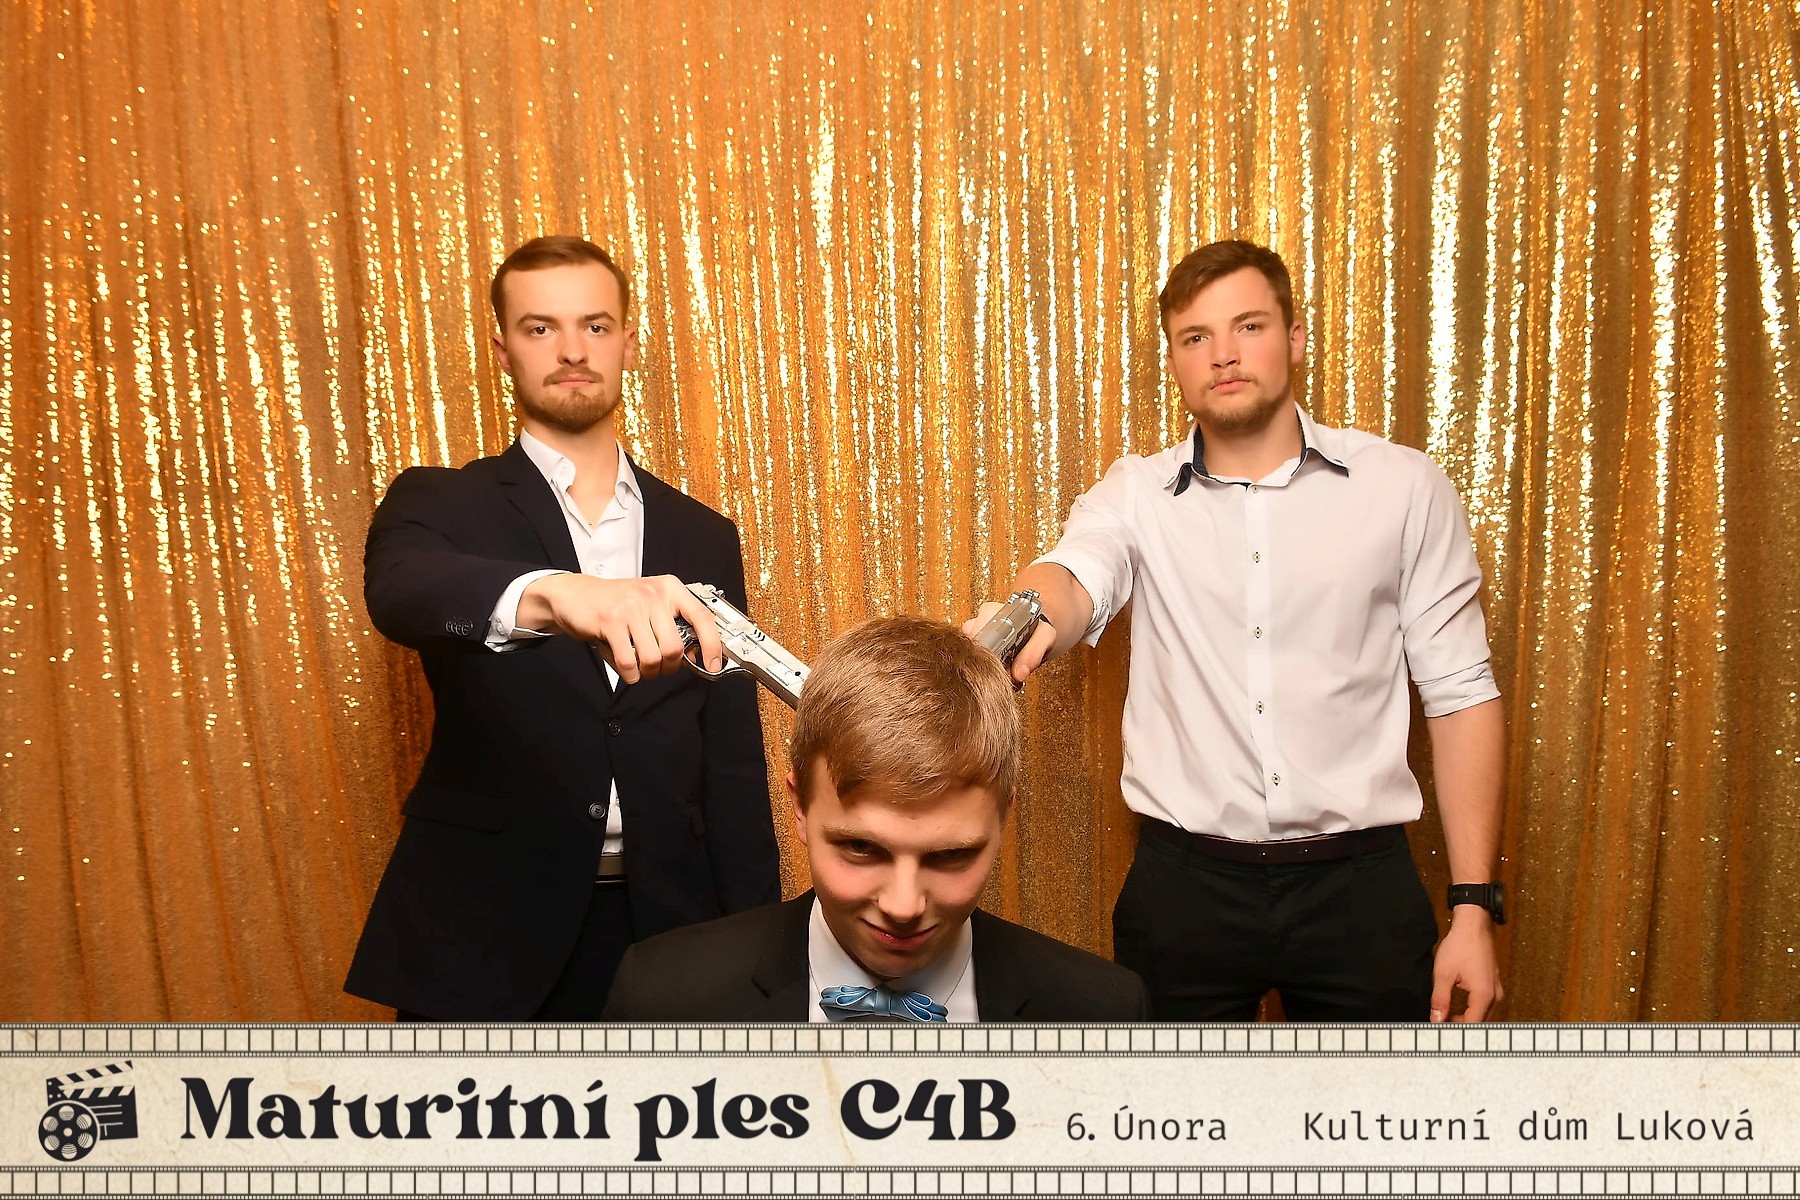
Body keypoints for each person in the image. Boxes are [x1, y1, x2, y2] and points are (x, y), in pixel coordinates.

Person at [971, 239, 1507, 1023]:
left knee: (1379, 1105)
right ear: (1174, 360)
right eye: (1196, 337)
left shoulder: (1403, 486)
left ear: (1294, 337)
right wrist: (1022, 614)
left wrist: (1473, 909)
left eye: (1248, 326)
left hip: (1361, 888)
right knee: (1166, 1104)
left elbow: (1460, 693)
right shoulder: (1137, 492)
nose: (1223, 354)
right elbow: (1076, 575)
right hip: (1185, 890)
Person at [344, 235, 780, 1021]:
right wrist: (555, 595)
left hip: (670, 926)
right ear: (503, 350)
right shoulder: (440, 501)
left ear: (627, 343)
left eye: (595, 326)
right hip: (487, 933)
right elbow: (400, 591)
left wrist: (758, 952)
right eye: (541, 327)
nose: (573, 350)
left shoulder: (703, 533)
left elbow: (732, 765)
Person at [601, 616, 1150, 1022]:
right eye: (861, 848)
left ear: (1003, 820)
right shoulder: (660, 999)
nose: (903, 907)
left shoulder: (1105, 1015)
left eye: (951, 855)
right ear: (800, 808)